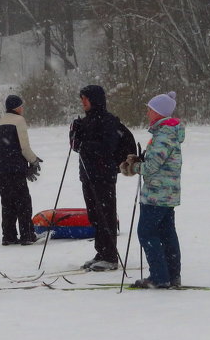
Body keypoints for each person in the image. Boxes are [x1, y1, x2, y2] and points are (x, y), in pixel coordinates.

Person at [121, 92, 184, 289]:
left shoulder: (164, 134)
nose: (147, 113)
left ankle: (159, 277)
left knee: (146, 232)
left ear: (158, 112)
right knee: (166, 234)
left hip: (157, 195)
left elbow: (152, 167)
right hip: (165, 194)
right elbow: (156, 162)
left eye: (149, 109)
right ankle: (172, 276)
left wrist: (133, 167)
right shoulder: (166, 133)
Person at [69, 84, 123, 271]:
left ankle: (110, 256)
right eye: (82, 99)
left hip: (104, 175)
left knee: (105, 214)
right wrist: (74, 134)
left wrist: (86, 145)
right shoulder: (86, 121)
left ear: (95, 99)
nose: (83, 102)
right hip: (88, 175)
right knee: (95, 216)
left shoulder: (108, 121)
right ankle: (101, 252)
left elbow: (107, 147)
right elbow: (76, 147)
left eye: (86, 98)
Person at [0, 94, 42, 245]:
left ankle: (8, 235)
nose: (23, 109)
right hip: (15, 169)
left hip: (0, 169)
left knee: (7, 202)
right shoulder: (19, 121)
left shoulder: (0, 122)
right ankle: (27, 235)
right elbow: (24, 147)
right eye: (21, 106)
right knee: (23, 201)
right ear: (17, 108)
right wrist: (33, 161)